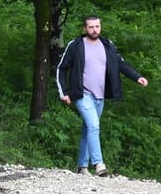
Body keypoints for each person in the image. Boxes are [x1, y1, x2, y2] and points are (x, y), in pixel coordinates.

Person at [55, 15, 148, 176]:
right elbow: (61, 68)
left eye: (97, 26)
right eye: (91, 27)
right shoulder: (76, 45)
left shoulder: (108, 45)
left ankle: (82, 167)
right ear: (85, 28)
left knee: (88, 128)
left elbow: (121, 63)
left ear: (100, 27)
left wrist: (137, 76)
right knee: (94, 125)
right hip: (82, 93)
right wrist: (63, 92)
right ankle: (99, 165)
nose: (94, 30)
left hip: (100, 95)